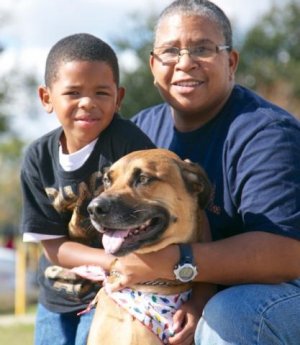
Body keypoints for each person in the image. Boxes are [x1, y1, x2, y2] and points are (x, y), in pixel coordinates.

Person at [105, 1, 300, 344]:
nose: (185, 63)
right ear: (153, 65)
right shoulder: (140, 132)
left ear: (231, 62)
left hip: (280, 289)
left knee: (232, 315)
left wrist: (180, 268)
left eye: (202, 49)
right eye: (170, 51)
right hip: (189, 287)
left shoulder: (266, 133)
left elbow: (286, 255)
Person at [20, 33, 155, 345]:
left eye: (101, 93)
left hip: (114, 292)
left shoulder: (128, 145)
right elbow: (53, 246)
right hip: (55, 294)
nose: (88, 103)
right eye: (73, 92)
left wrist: (123, 269)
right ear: (46, 97)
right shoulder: (37, 158)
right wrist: (113, 262)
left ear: (118, 98)